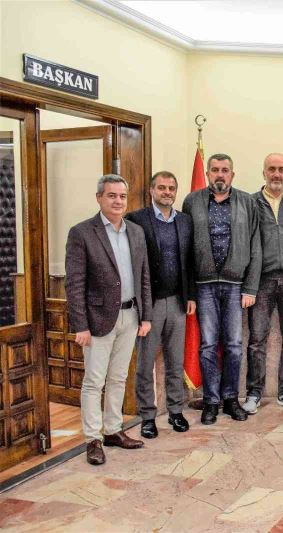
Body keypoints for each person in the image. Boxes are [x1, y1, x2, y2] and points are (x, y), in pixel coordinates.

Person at [65, 174, 152, 465]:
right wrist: (80, 325)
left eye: (122, 196)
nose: (118, 201)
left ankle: (114, 430)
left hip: (131, 316)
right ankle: (93, 439)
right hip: (98, 320)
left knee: (118, 377)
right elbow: (74, 284)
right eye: (111, 195)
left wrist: (146, 316)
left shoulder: (136, 232)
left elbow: (144, 277)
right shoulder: (82, 233)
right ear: (99, 198)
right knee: (94, 381)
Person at [182, 154, 261, 425]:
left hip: (235, 285)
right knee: (207, 346)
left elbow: (256, 246)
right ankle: (211, 401)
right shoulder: (192, 202)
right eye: (215, 170)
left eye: (225, 170)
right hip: (203, 286)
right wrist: (189, 291)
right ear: (207, 173)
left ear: (232, 175)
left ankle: (230, 399)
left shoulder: (247, 202)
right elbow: (185, 248)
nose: (220, 174)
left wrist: (251, 287)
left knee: (234, 346)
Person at [127, 171, 194, 438]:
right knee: (145, 364)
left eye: (171, 188)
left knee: (175, 362)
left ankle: (176, 411)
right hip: (150, 304)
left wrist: (191, 296)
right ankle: (147, 416)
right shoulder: (136, 220)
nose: (167, 192)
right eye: (162, 187)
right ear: (151, 191)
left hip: (178, 302)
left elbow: (189, 261)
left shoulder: (185, 221)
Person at [243, 153, 283, 414]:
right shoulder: (249, 203)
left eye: (281, 169)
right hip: (261, 280)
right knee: (257, 339)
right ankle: (254, 394)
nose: (276, 174)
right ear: (264, 172)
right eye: (271, 169)